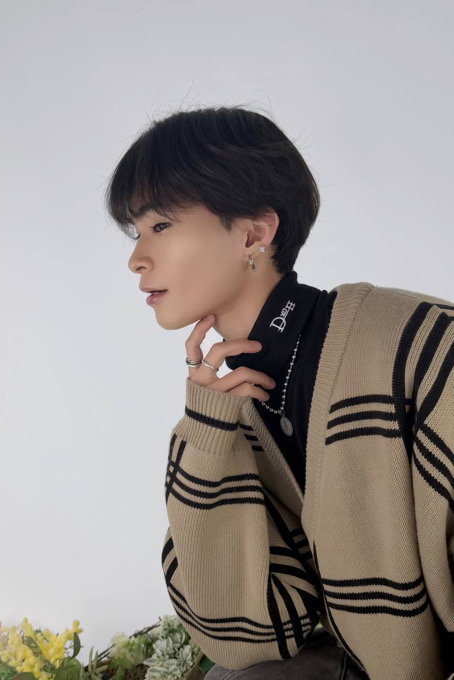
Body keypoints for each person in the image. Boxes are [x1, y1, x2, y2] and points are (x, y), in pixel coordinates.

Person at [104, 105, 454, 679]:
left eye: (160, 226)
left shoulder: (419, 346)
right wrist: (207, 433)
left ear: (254, 233)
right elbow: (241, 636)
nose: (136, 259)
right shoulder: (233, 405)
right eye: (135, 232)